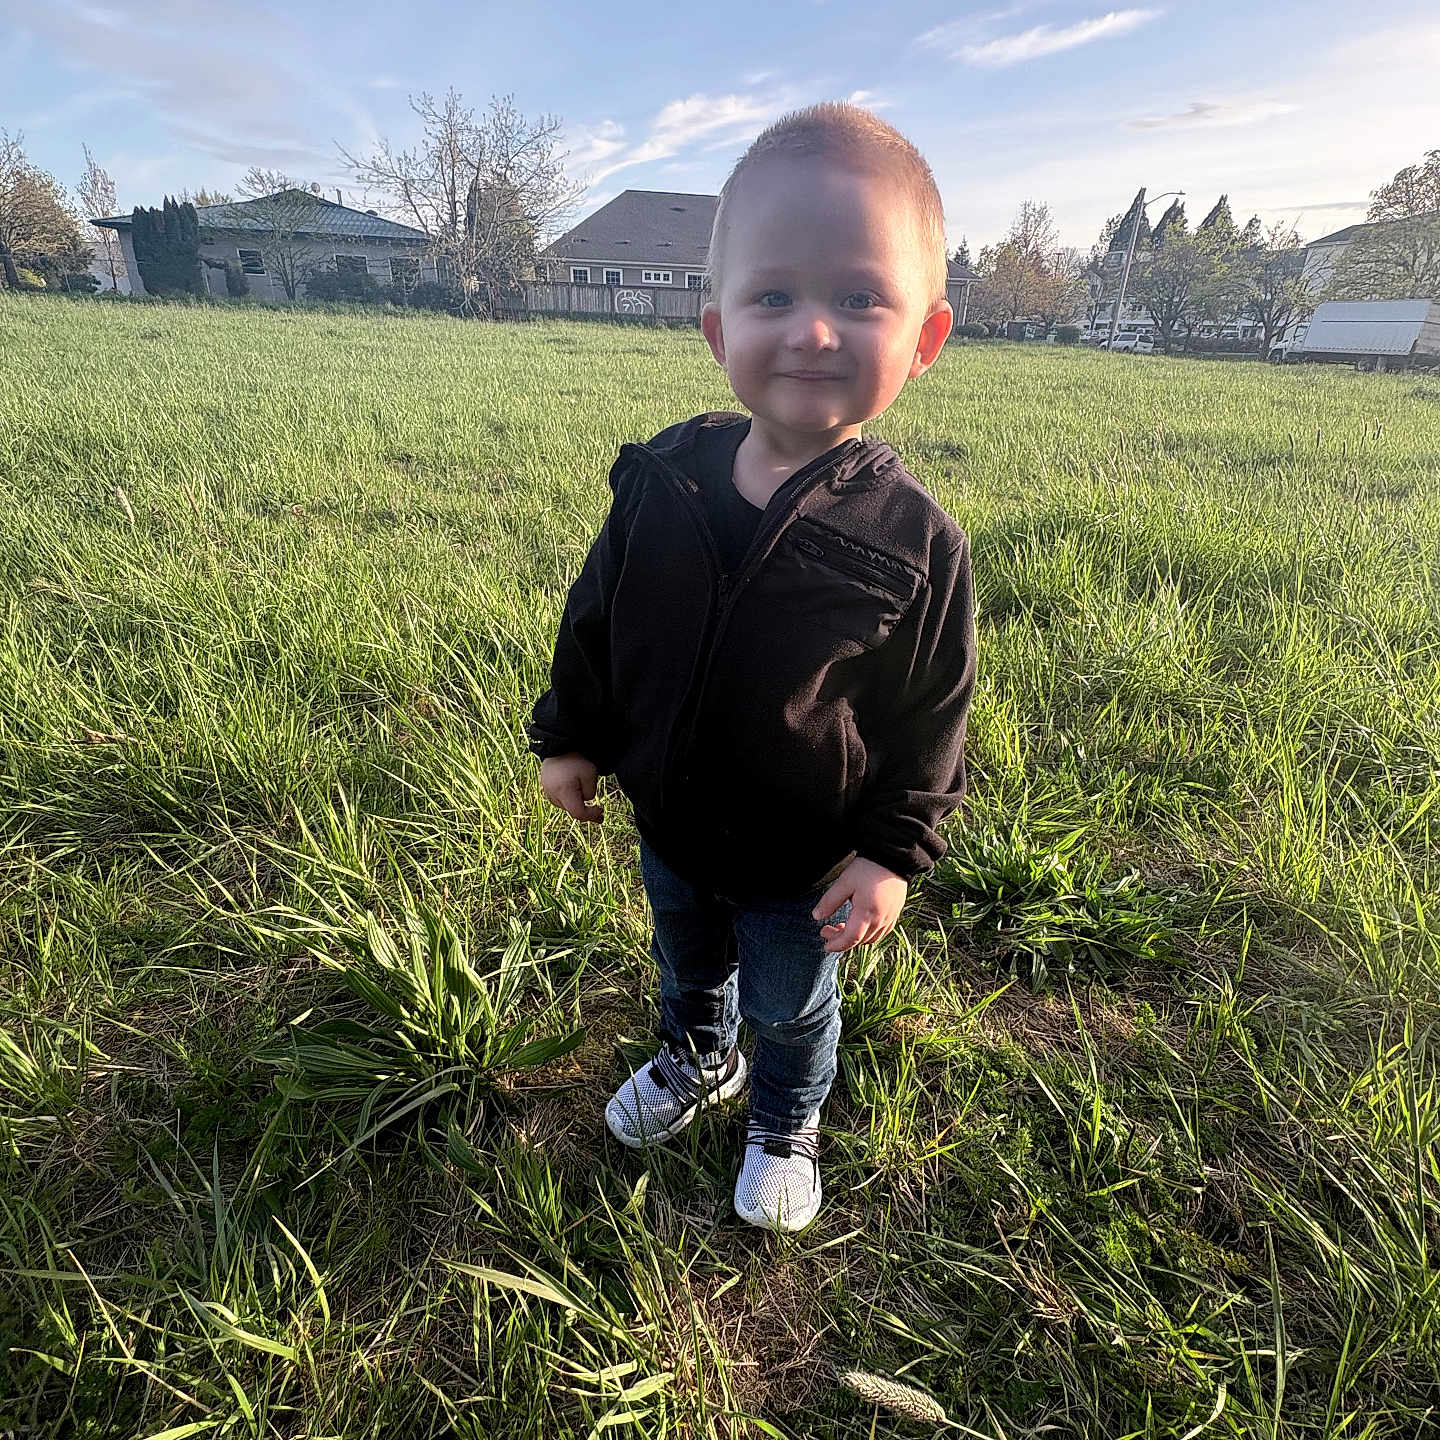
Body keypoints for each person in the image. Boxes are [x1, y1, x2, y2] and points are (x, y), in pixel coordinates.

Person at [529, 101, 977, 1233]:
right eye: (772, 296)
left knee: (791, 1003)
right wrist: (571, 735)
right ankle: (698, 1053)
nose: (813, 331)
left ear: (925, 337)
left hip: (800, 862)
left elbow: (932, 717)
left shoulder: (914, 541)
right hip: (671, 822)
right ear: (716, 329)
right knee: (685, 960)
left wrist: (890, 855)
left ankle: (784, 1114)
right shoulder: (664, 479)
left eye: (860, 298)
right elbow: (599, 617)